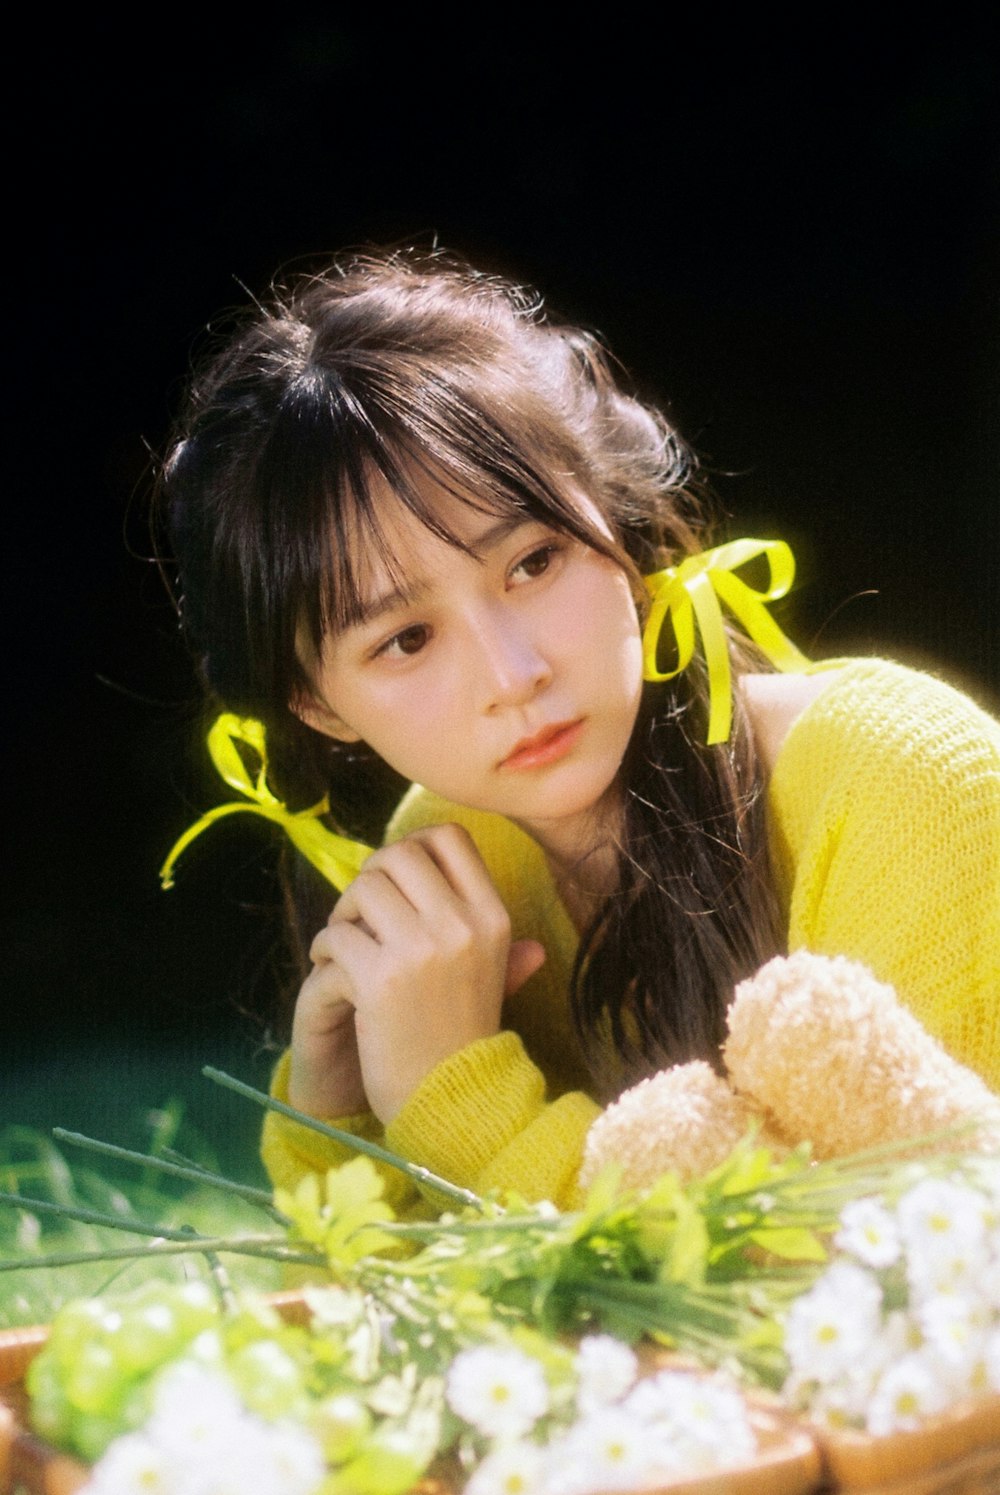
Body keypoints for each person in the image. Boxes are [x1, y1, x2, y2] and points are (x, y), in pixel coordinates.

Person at [161, 249, 1000, 1213]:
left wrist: (462, 1099)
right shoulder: (456, 872)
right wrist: (342, 1116)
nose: (515, 676)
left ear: (614, 516)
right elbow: (428, 1346)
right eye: (407, 638)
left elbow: (918, 1266)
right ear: (316, 703)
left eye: (533, 562)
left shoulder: (902, 778)